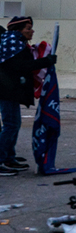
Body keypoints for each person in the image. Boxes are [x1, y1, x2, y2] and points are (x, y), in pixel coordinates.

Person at [0, 17, 58, 173]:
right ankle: (2, 159)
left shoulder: (17, 44)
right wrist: (45, 62)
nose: (31, 31)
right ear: (18, 30)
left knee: (13, 125)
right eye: (27, 28)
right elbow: (19, 66)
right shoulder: (11, 45)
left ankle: (8, 157)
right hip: (6, 90)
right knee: (10, 125)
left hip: (10, 90)